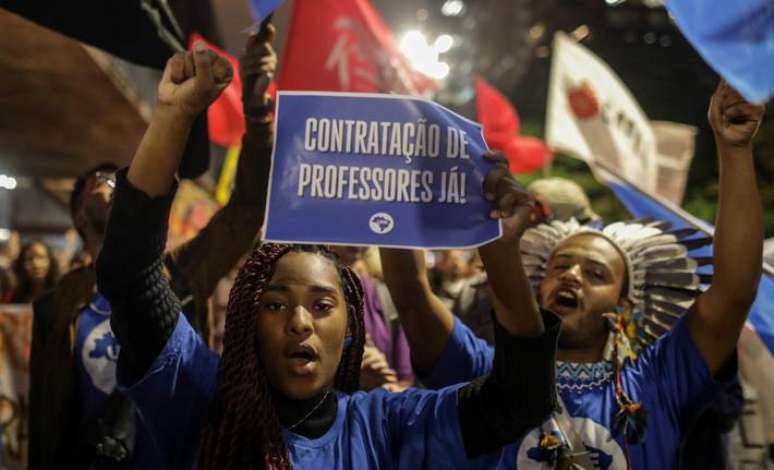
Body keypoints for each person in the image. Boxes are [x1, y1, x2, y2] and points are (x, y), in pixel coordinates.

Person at [95, 42, 559, 470]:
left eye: (322, 305)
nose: (300, 322)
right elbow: (129, 276)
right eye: (275, 304)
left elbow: (521, 400)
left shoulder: (389, 425)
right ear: (245, 322)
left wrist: (500, 253)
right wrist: (174, 115)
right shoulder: (200, 397)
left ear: (351, 326)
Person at [380, 81, 765, 469]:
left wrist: (733, 150)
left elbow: (733, 290)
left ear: (625, 304)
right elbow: (413, 298)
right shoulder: (488, 372)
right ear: (539, 284)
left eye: (595, 273)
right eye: (559, 266)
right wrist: (396, 179)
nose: (572, 276)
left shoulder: (660, 379)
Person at [27, 27, 277, 470]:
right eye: (98, 182)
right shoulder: (55, 306)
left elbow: (246, 210)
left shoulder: (180, 274)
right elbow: (45, 413)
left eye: (116, 179)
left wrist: (257, 113)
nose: (111, 184)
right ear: (79, 214)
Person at [329, 246, 415, 391]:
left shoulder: (384, 296)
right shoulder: (308, 295)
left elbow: (404, 381)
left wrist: (386, 383)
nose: (356, 241)